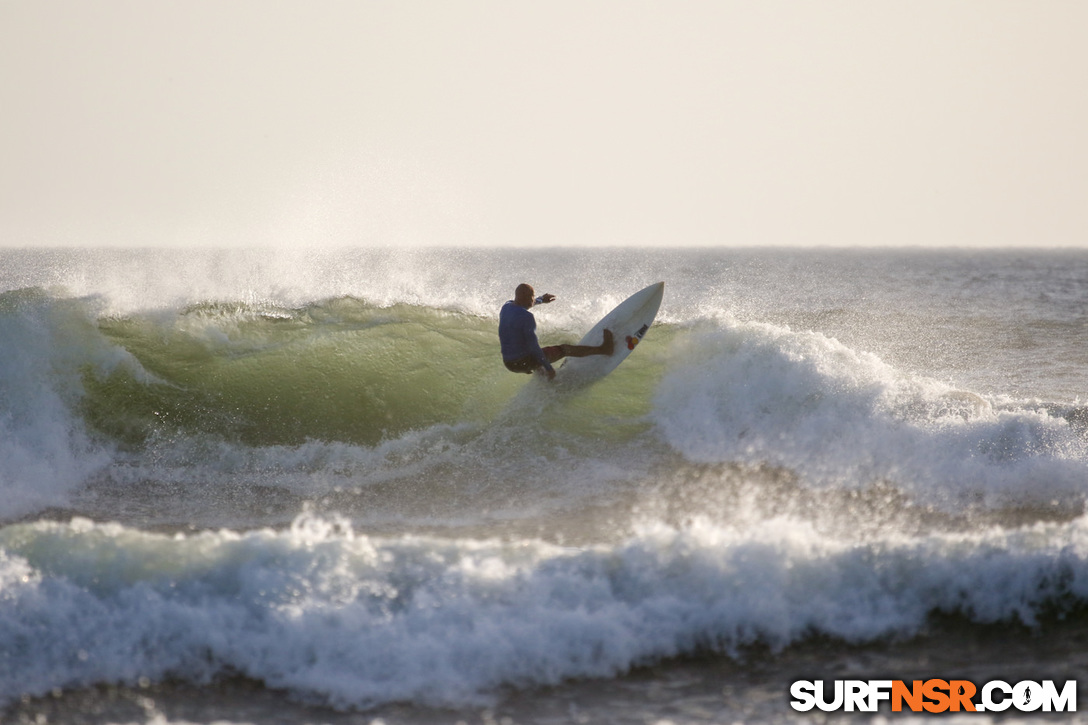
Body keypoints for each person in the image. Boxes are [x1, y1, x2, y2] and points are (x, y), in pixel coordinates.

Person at [499, 283, 613, 381]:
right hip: (523, 361)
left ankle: (546, 381)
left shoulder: (507, 306)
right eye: (532, 296)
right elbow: (533, 346)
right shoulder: (527, 317)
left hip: (509, 363)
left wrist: (540, 300)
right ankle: (604, 349)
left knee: (532, 355)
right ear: (524, 296)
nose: (533, 299)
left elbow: (524, 305)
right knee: (564, 349)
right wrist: (549, 368)